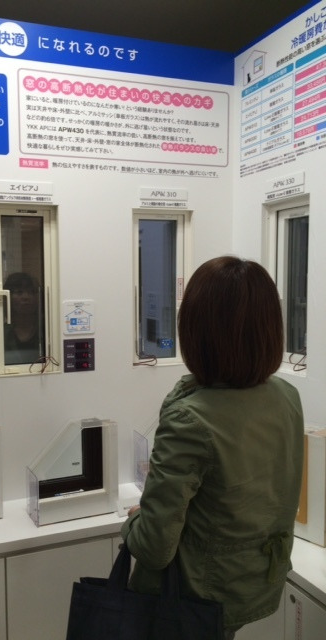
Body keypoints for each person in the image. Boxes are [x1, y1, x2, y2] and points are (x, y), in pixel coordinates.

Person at [121, 256, 304, 639]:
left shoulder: (191, 418)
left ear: (195, 330)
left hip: (190, 599)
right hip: (248, 584)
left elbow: (154, 547)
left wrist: (135, 521)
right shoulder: (286, 396)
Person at [3, 271, 43, 365]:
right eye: (19, 292)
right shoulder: (1, 332)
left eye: (31, 292)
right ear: (8, 297)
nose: (26, 297)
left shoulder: (46, 329)